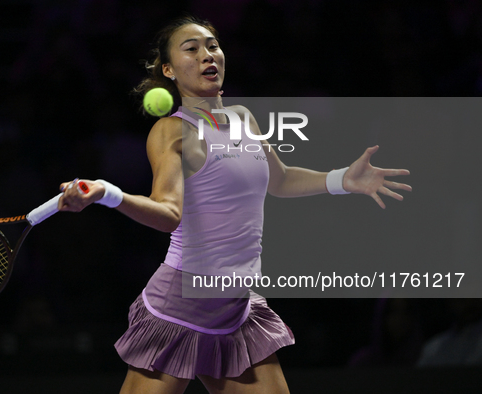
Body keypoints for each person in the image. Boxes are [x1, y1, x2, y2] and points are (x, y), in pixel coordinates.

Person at [58, 15, 411, 394]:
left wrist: (343, 179)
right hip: (180, 308)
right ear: (169, 70)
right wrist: (107, 193)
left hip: (236, 310)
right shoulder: (172, 131)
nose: (208, 55)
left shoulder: (243, 118)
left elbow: (280, 179)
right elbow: (168, 214)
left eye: (212, 45)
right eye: (191, 49)